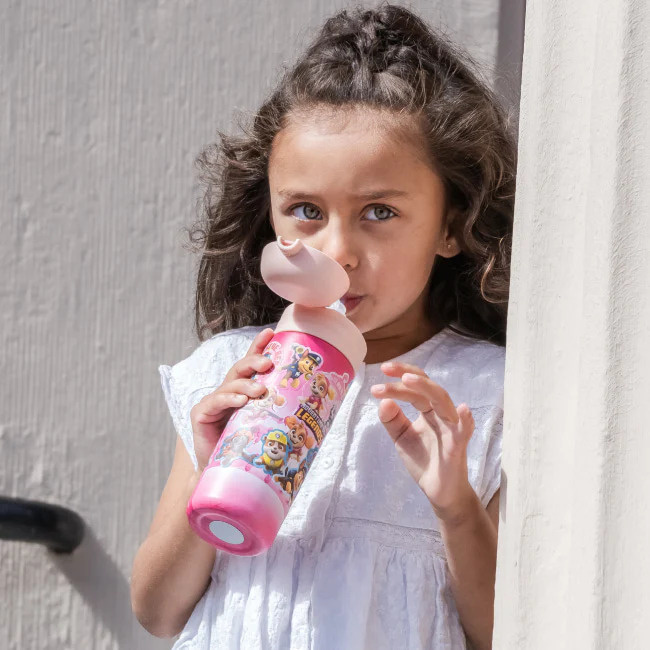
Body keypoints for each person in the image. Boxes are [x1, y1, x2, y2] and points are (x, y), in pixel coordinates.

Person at [130, 3, 516, 649]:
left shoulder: (486, 394)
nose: (337, 252)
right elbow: (158, 612)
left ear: (451, 225)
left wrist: (456, 507)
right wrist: (209, 464)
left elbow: (503, 632)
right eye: (307, 210)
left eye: (380, 213)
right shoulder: (233, 372)